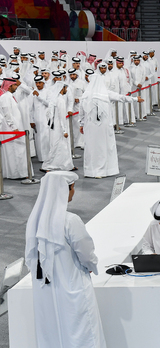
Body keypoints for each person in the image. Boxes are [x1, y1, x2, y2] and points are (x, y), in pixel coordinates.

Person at [25, 171, 106, 348]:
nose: (73, 192)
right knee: (83, 334)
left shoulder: (35, 221)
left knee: (51, 333)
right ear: (64, 190)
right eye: (72, 188)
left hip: (45, 291)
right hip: (73, 287)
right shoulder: (70, 221)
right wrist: (91, 264)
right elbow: (86, 252)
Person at [79, 72, 143, 178]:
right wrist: (136, 99)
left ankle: (92, 171)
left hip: (90, 126)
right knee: (104, 147)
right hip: (103, 126)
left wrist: (81, 124)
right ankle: (104, 171)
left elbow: (82, 113)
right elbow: (121, 98)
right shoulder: (106, 93)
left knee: (92, 148)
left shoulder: (85, 95)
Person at [41, 81, 76, 172]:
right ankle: (47, 166)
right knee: (56, 146)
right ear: (62, 88)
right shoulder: (60, 100)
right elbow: (61, 117)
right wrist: (64, 130)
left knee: (62, 146)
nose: (66, 90)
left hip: (54, 126)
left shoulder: (55, 99)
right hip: (59, 127)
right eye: (65, 88)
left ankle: (67, 165)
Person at [0, 78, 29, 179]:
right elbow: (7, 114)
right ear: (9, 86)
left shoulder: (10, 96)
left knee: (18, 151)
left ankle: (19, 173)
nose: (16, 87)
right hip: (10, 129)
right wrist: (14, 127)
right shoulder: (4, 98)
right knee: (13, 151)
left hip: (15, 128)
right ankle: (15, 174)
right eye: (15, 85)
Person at [30, 76, 51, 162]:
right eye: (36, 83)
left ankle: (48, 157)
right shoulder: (32, 93)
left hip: (45, 119)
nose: (38, 85)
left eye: (39, 83)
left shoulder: (47, 92)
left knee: (46, 137)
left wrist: (39, 97)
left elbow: (49, 104)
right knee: (38, 139)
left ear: (43, 83)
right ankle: (41, 158)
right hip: (36, 120)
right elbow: (31, 108)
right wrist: (31, 120)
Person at [67, 69, 86, 149]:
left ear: (77, 75)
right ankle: (74, 142)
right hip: (71, 109)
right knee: (73, 126)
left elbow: (86, 95)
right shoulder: (68, 83)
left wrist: (79, 99)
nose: (72, 76)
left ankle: (82, 142)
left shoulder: (82, 83)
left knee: (81, 125)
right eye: (71, 75)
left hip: (80, 107)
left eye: (73, 75)